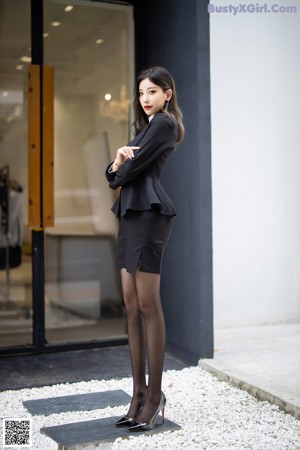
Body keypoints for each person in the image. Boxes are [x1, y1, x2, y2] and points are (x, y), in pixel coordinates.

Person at [105, 66, 184, 432]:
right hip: (131, 216)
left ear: (168, 93)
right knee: (131, 304)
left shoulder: (165, 124)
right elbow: (117, 175)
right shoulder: (146, 128)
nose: (146, 98)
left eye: (152, 91)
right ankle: (137, 395)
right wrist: (119, 164)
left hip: (150, 217)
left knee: (149, 304)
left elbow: (126, 174)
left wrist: (121, 165)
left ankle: (154, 397)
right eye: (141, 93)